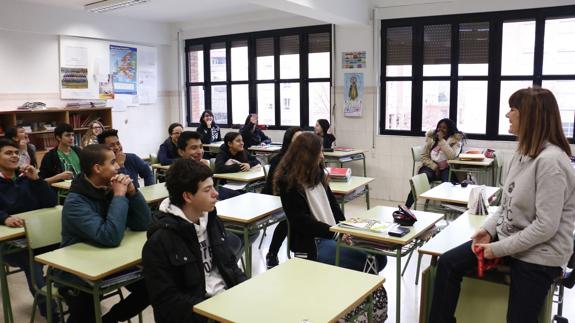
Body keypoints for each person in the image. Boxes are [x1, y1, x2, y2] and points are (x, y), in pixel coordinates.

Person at [429, 87, 575, 323]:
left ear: (530, 116)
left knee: (518, 318)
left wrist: (497, 249)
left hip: (539, 254)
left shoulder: (551, 162)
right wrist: (488, 230)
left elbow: (545, 227)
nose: (507, 115)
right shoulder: (522, 152)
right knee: (447, 264)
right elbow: (506, 203)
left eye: (513, 110)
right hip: (511, 240)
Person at [274, 132, 388, 321]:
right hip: (313, 244)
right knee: (368, 259)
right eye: (319, 152)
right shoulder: (288, 183)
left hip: (332, 234)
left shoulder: (317, 174)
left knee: (379, 258)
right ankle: (353, 311)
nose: (322, 155)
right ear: (307, 154)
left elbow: (334, 208)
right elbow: (301, 222)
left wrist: (346, 229)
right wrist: (334, 234)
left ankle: (358, 307)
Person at [142, 158, 247, 323]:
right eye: (207, 190)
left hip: (226, 304)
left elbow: (230, 266)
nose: (216, 193)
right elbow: (167, 302)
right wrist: (211, 314)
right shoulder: (160, 241)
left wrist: (247, 291)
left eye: (213, 186)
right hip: (200, 315)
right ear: (187, 196)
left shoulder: (212, 219)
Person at [59, 144, 151, 323]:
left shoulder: (108, 188)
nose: (118, 167)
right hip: (77, 271)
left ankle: (110, 320)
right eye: (113, 162)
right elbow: (109, 237)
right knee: (86, 315)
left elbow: (143, 224)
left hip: (111, 260)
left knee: (153, 285)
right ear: (98, 168)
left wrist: (132, 193)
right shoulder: (75, 202)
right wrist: (119, 196)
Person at [0, 138, 58, 320]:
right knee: (31, 260)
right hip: (12, 244)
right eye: (8, 153)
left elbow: (50, 203)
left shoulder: (26, 177)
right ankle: (50, 311)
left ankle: (72, 292)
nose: (14, 156)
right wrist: (4, 218)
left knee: (71, 245)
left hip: (40, 234)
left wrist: (37, 180)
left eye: (16, 152)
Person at [262, 126, 302, 268]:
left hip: (295, 197)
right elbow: (272, 186)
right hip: (276, 197)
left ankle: (304, 251)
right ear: (289, 142)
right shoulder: (278, 159)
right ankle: (272, 253)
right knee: (290, 219)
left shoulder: (303, 159)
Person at [405, 118, 463, 208]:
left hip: (447, 169)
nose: (440, 129)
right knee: (421, 178)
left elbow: (452, 156)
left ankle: (448, 208)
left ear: (450, 129)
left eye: (444, 127)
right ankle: (406, 207)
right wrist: (434, 167)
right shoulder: (432, 138)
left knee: (448, 184)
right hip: (431, 167)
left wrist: (441, 141)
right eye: (439, 127)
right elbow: (424, 156)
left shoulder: (456, 140)